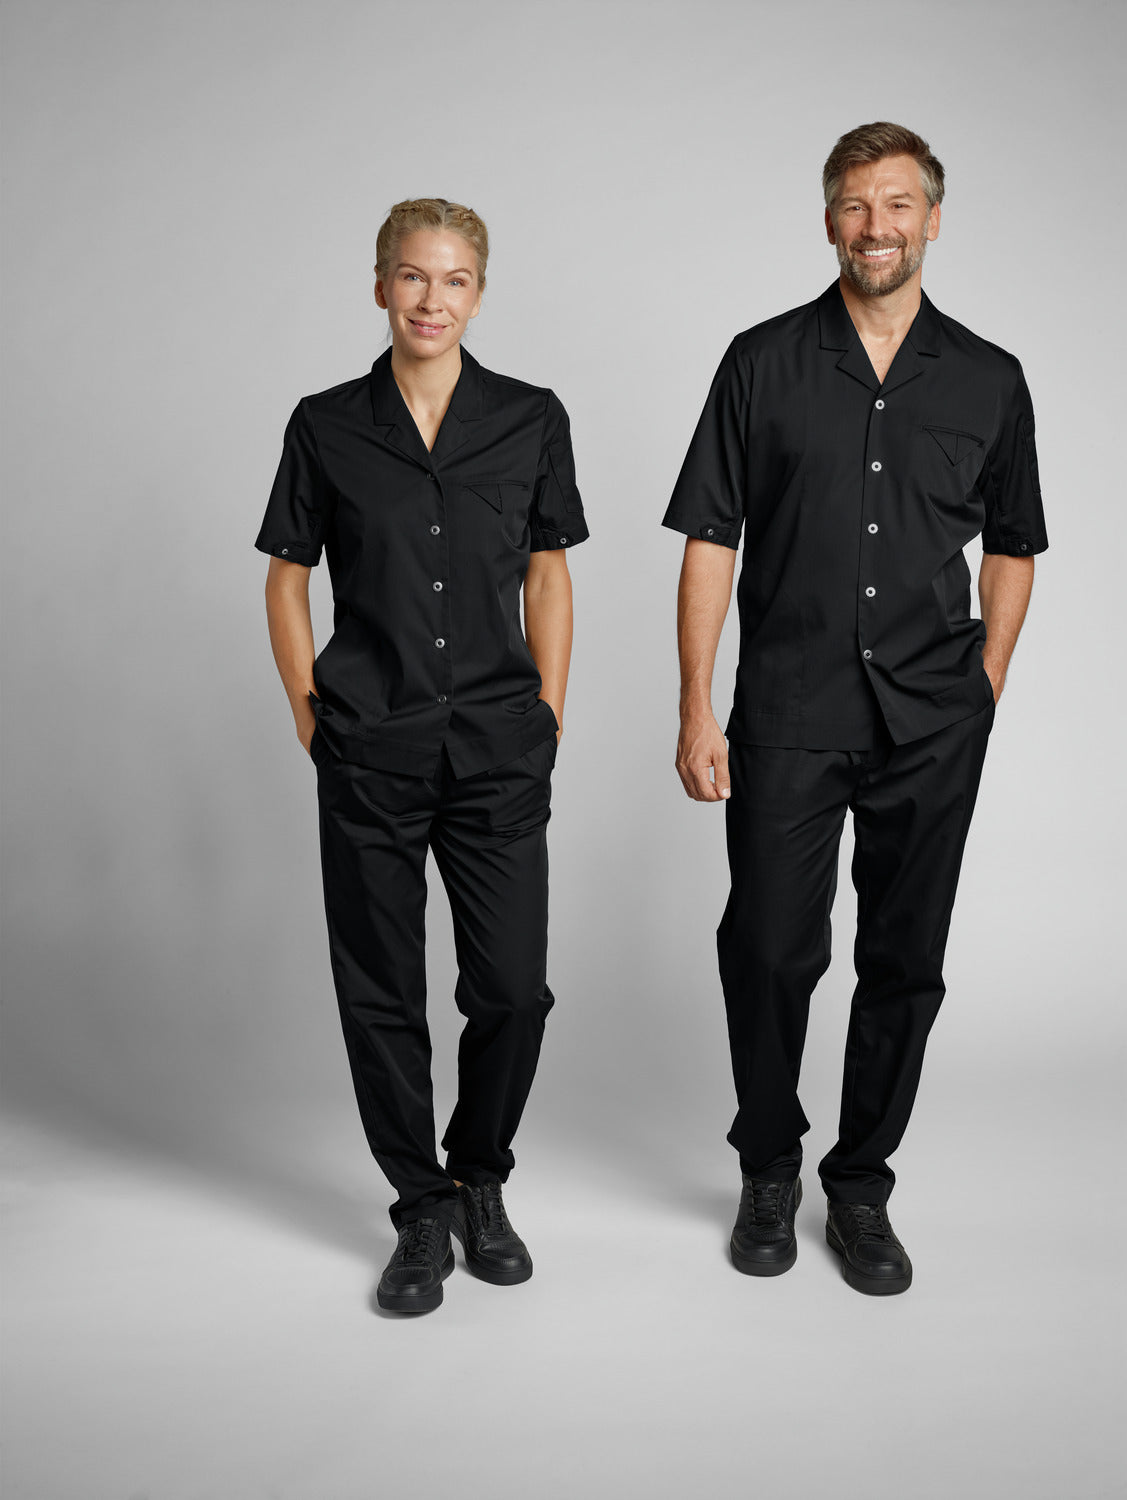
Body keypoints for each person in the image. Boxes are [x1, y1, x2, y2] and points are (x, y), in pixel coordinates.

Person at [663, 123, 1046, 1295]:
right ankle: (767, 1167)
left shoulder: (988, 378)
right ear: (827, 218)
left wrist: (981, 687)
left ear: (932, 218)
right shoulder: (760, 362)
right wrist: (695, 707)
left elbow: (1013, 546)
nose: (874, 226)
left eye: (895, 204)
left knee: (903, 960)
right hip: (786, 707)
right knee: (766, 948)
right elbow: (709, 539)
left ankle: (861, 1185)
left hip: (930, 722)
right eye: (852, 204)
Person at [256, 199, 586, 1314]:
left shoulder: (530, 418)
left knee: (511, 991)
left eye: (451, 280)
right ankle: (419, 1207)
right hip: (370, 749)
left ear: (478, 295)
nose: (429, 300)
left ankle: (479, 1177)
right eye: (410, 276)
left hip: (498, 749)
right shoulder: (325, 425)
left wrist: (547, 714)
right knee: (381, 992)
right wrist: (309, 712)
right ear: (380, 287)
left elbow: (548, 573)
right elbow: (287, 576)